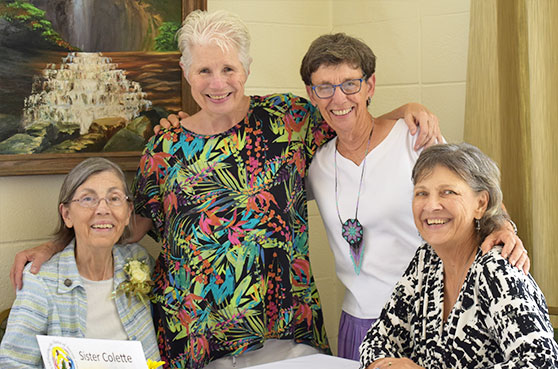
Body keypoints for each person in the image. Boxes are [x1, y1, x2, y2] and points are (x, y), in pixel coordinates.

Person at [10, 11, 442, 369]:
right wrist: (54, 246)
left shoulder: (288, 118)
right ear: (186, 72)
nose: (217, 83)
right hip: (192, 336)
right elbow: (127, 227)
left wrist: (409, 111)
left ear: (246, 69)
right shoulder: (165, 146)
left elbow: (352, 125)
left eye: (228, 68)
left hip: (284, 330)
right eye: (204, 70)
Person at [300, 33, 529, 361]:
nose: (338, 98)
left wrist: (504, 227)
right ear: (312, 93)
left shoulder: (413, 140)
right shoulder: (316, 163)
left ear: (370, 86)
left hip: (423, 318)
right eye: (325, 87)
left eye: (351, 83)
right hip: (358, 321)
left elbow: (477, 195)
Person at [359, 143, 558, 369]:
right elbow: (377, 341)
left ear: (481, 203)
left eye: (448, 192)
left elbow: (542, 362)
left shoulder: (497, 270)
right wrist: (381, 365)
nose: (432, 205)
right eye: (422, 193)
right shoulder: (426, 261)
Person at [0, 158, 160, 368]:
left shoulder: (139, 261)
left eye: (114, 198)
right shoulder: (41, 281)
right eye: (87, 199)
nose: (103, 209)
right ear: (67, 214)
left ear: (128, 212)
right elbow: (13, 363)